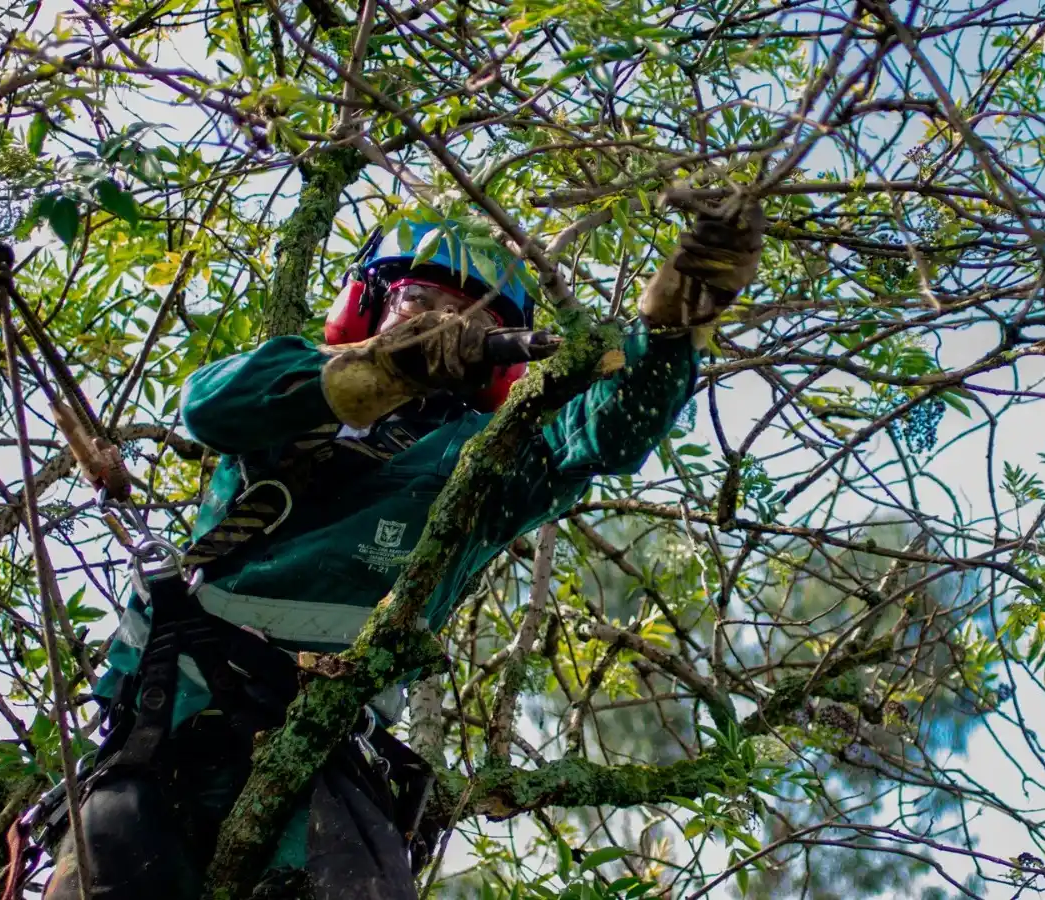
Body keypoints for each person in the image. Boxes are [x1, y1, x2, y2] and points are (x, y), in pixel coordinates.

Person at [42, 201, 765, 900]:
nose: (445, 321)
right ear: (369, 304)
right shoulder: (296, 384)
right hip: (165, 732)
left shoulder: (491, 453)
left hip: (320, 762)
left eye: (476, 317)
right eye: (420, 295)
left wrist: (669, 330)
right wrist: (378, 372)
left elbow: (605, 430)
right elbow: (207, 406)